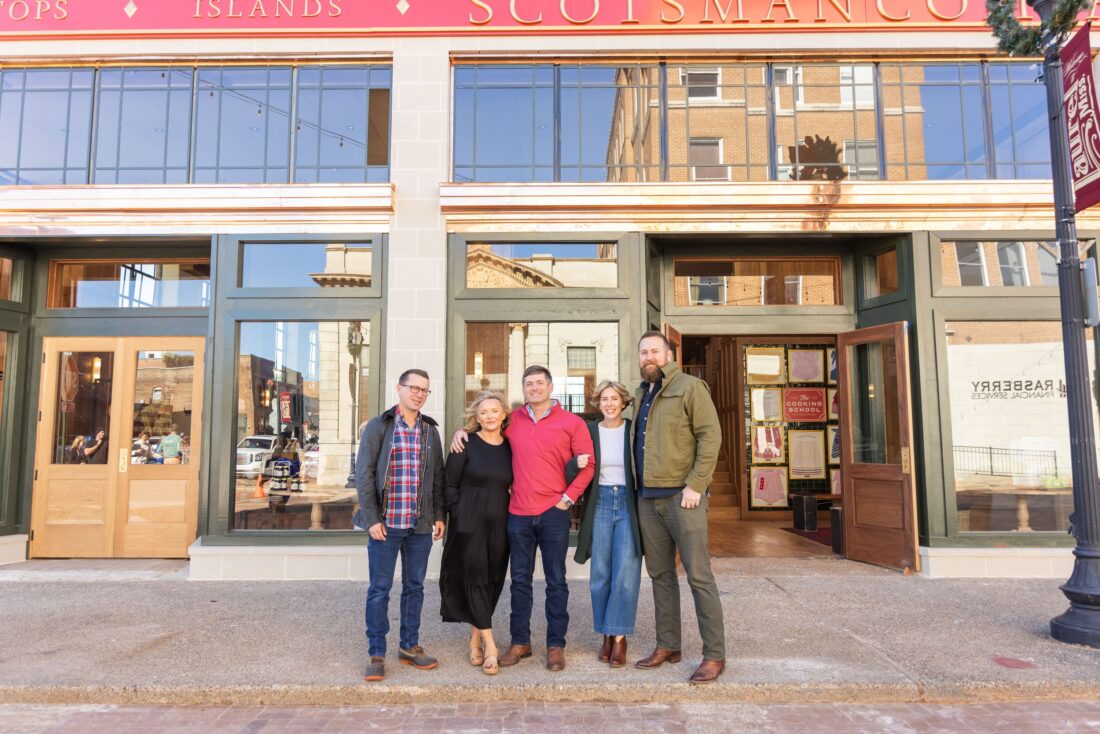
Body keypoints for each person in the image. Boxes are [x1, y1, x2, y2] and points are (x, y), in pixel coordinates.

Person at [451, 365, 594, 672]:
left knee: (556, 581)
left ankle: (556, 645)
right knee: (520, 582)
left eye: (540, 383)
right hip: (517, 514)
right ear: (524, 389)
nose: (534, 388)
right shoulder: (511, 420)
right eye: (528, 384)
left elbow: (589, 465)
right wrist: (460, 431)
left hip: (554, 513)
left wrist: (567, 499)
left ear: (550, 386)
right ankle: (520, 642)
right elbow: (483, 428)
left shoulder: (571, 422)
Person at [632, 331, 726, 684]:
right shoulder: (642, 392)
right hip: (647, 498)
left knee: (699, 576)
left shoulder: (689, 387)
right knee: (660, 576)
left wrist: (695, 485)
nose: (649, 356)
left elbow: (710, 436)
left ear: (668, 354)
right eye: (644, 352)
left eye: (655, 350)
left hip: (682, 498)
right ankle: (668, 645)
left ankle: (714, 654)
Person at [354, 368, 445, 683]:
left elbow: (437, 479)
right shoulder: (380, 426)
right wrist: (371, 518)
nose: (419, 394)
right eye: (414, 388)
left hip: (419, 526)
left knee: (415, 587)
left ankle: (409, 646)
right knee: (380, 589)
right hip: (386, 525)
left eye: (424, 390)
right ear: (399, 388)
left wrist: (439, 515)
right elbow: (364, 474)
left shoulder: (430, 431)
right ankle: (376, 652)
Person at [439, 391, 513, 676]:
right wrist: (458, 514)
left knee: (493, 579)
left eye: (495, 411)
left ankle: (474, 638)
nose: (490, 416)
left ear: (504, 414)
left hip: (501, 521)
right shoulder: (465, 442)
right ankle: (491, 645)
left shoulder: (510, 446)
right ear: (476, 417)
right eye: (484, 412)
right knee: (475, 578)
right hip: (469, 521)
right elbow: (449, 483)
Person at [572, 380, 642, 669]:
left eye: (614, 398)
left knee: (625, 572)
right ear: (597, 404)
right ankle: (605, 631)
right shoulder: (589, 431)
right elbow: (567, 462)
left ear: (623, 402)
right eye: (604, 399)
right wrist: (576, 462)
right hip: (599, 502)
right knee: (600, 573)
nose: (609, 403)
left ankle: (619, 638)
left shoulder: (633, 430)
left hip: (627, 502)